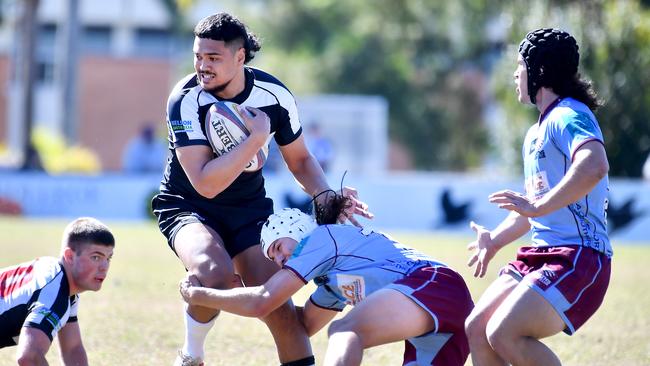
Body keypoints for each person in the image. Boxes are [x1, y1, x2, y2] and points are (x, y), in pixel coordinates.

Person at [151, 12, 372, 366]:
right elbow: (205, 184)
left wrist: (327, 196)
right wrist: (254, 140)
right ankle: (192, 355)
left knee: (278, 307)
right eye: (198, 56)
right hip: (187, 204)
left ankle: (328, 297)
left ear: (240, 57)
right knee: (214, 274)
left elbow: (300, 161)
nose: (202, 67)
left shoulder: (275, 95)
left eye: (213, 58)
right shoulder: (185, 98)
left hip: (248, 209)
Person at [178, 192, 474, 366]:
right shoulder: (332, 281)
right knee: (345, 328)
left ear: (296, 229)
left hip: (433, 284)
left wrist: (197, 296)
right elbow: (302, 324)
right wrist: (241, 295)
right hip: (442, 308)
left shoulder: (318, 239)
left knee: (345, 330)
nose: (280, 260)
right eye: (274, 258)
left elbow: (263, 301)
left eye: (279, 248)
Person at [464, 28, 612, 366]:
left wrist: (537, 206)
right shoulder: (536, 132)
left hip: (580, 258)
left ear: (539, 71)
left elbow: (594, 165)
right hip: (541, 255)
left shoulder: (568, 114)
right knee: (478, 327)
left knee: (503, 332)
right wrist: (494, 240)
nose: (515, 74)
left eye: (520, 65)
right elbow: (532, 207)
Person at [0, 217, 115, 365]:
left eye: (108, 258)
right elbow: (29, 356)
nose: (104, 266)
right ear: (70, 256)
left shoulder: (61, 284)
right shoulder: (53, 291)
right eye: (96, 257)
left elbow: (72, 349)